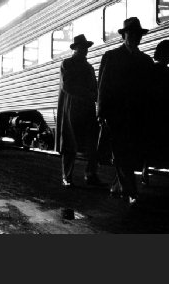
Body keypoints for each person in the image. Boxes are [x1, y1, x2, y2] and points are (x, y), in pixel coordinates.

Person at [97, 17, 154, 205]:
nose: (135, 38)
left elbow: (149, 90)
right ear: (124, 36)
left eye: (138, 35)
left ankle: (118, 186)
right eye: (131, 34)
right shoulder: (111, 56)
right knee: (122, 152)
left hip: (137, 115)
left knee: (130, 152)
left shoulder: (146, 61)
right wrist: (101, 112)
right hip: (117, 114)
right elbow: (103, 86)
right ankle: (131, 191)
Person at [55, 34, 103, 187]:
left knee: (92, 141)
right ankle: (67, 176)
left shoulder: (88, 67)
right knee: (70, 143)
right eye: (82, 47)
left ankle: (90, 174)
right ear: (75, 48)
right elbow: (67, 86)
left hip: (87, 109)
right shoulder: (67, 63)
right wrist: (89, 94)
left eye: (86, 48)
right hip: (72, 108)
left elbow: (94, 88)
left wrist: (97, 97)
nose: (85, 50)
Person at [142, 40, 169, 186]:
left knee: (151, 146)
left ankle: (145, 173)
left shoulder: (150, 72)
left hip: (155, 117)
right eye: (167, 54)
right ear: (162, 55)